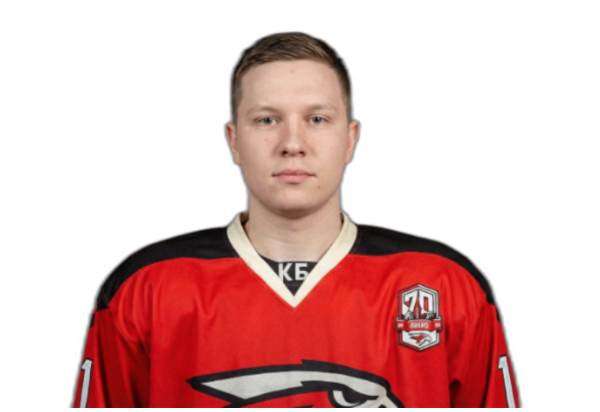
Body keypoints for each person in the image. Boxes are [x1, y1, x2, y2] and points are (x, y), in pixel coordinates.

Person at [71, 31, 521, 408]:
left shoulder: (445, 283)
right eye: (267, 120)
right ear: (234, 140)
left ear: (350, 138)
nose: (292, 143)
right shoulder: (145, 287)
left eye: (317, 119)